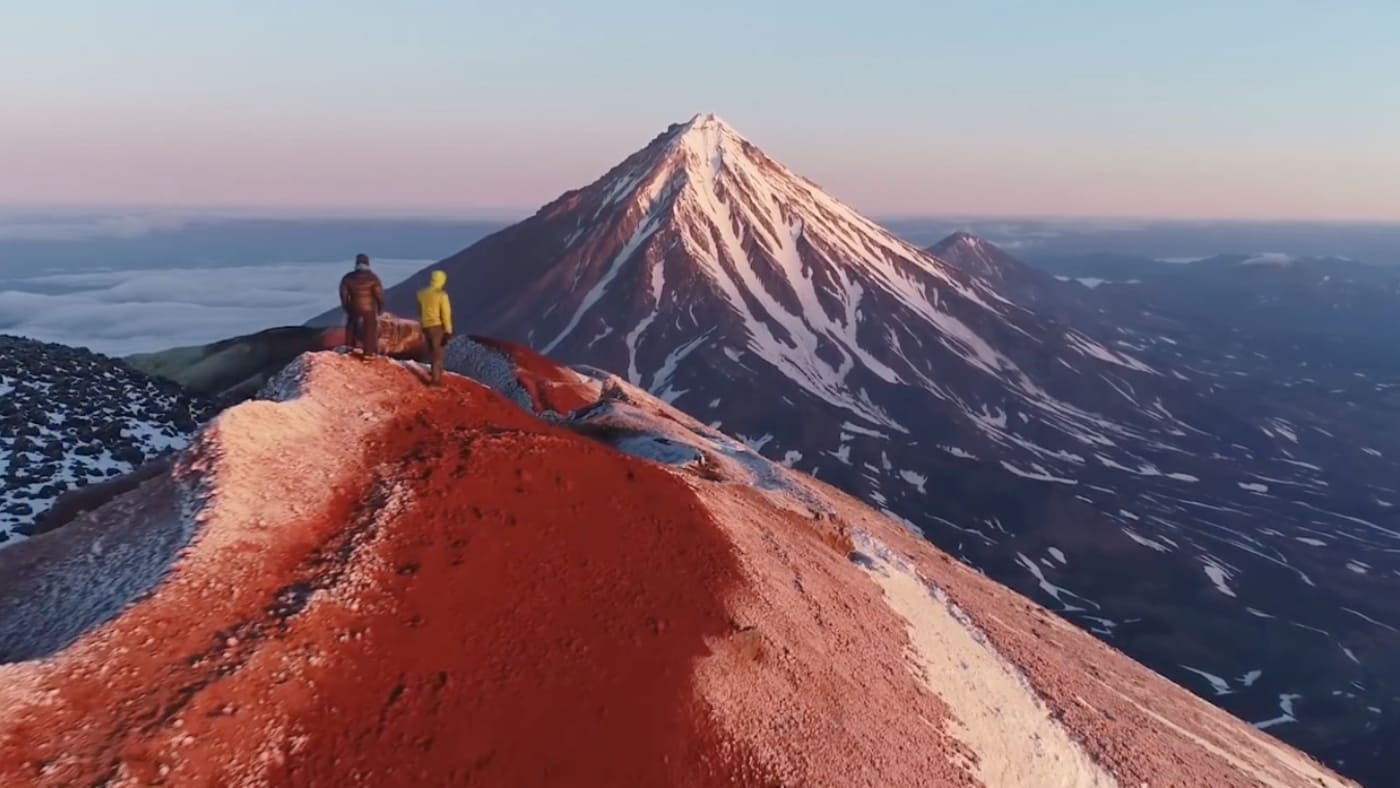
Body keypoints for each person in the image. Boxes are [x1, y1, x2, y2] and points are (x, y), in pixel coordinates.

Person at [339, 253, 384, 358]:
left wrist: (346, 307)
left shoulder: (348, 277)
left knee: (351, 325)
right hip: (369, 308)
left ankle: (349, 348)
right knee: (370, 328)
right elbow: (379, 294)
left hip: (354, 306)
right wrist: (380, 307)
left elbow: (343, 294)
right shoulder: (373, 278)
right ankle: (368, 352)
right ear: (368, 263)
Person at [416, 269, 453, 386]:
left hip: (426, 326)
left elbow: (420, 311)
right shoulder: (441, 295)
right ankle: (435, 382)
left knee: (432, 351)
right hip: (437, 327)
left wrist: (422, 324)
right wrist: (448, 330)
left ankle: (435, 373)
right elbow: (446, 314)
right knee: (438, 354)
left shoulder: (421, 294)